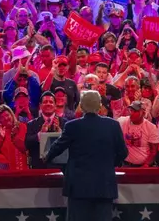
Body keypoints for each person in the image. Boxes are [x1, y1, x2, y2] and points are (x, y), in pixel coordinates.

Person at [44, 90, 128, 221]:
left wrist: (46, 157)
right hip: (104, 186)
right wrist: (110, 164)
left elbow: (57, 148)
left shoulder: (72, 126)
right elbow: (123, 153)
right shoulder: (113, 125)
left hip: (78, 188)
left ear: (81, 106)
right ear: (100, 106)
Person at [25, 91, 66, 169]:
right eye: (45, 102)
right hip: (39, 168)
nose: (48, 104)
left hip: (60, 169)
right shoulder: (31, 124)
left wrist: (60, 134)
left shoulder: (65, 123)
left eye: (51, 102)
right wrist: (40, 134)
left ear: (55, 105)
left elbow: (70, 145)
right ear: (40, 106)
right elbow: (27, 144)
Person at [117, 101, 159, 167]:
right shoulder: (121, 121)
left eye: (135, 111)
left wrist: (146, 165)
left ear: (143, 113)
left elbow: (154, 151)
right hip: (125, 164)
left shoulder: (151, 127)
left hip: (143, 166)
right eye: (131, 110)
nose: (132, 113)